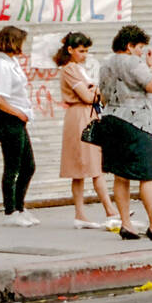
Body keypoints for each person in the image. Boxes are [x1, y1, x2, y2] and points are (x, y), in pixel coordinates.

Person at [98, 26, 152, 241]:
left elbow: (102, 96)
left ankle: (126, 224)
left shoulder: (105, 64)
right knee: (147, 176)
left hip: (111, 119)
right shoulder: (133, 62)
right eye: (140, 47)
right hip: (136, 122)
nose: (142, 52)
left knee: (121, 176)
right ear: (129, 46)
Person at [55, 32, 120, 229]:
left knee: (85, 165)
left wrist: (95, 91)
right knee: (91, 164)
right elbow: (87, 96)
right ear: (70, 50)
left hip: (86, 115)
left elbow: (93, 93)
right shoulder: (70, 70)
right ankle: (110, 210)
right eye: (81, 51)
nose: (84, 55)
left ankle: (83, 213)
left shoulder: (78, 69)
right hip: (81, 116)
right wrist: (97, 91)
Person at [0, 26, 37, 227]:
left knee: (28, 166)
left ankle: (19, 207)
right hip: (8, 121)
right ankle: (10, 211)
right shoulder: (2, 65)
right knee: (13, 167)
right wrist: (18, 112)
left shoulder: (12, 62)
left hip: (18, 120)